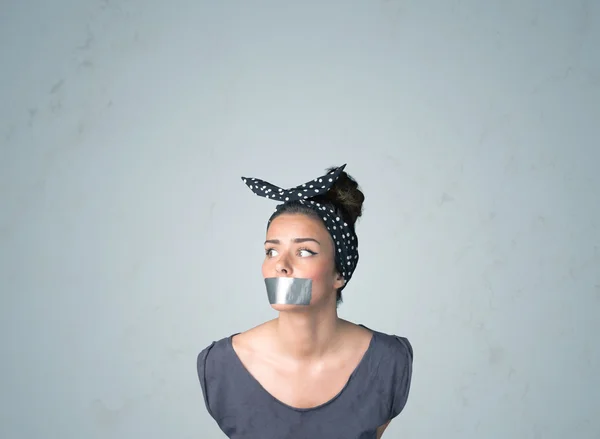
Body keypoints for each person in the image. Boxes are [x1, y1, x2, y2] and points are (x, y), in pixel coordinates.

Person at [196, 164, 413, 439]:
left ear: (339, 274)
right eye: (271, 251)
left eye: (305, 251)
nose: (281, 266)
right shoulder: (220, 364)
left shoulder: (388, 360)